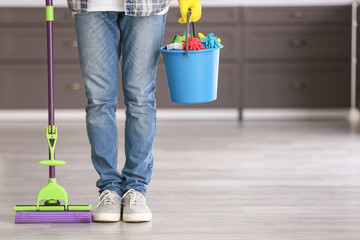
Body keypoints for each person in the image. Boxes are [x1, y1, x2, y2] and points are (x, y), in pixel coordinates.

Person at [66, 0, 202, 222]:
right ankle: (109, 189)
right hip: (92, 6)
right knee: (98, 99)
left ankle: (136, 189)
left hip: (147, 5)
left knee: (140, 97)